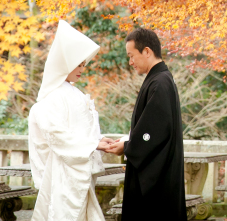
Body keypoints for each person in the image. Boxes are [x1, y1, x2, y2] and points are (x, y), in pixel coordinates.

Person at [28, 20, 114, 221]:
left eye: (84, 64)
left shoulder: (73, 93)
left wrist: (97, 142)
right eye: (78, 64)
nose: (82, 69)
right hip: (62, 172)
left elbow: (81, 130)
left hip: (78, 167)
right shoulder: (53, 97)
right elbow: (56, 135)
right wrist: (93, 144)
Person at [103, 28, 186, 221]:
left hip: (159, 181)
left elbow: (154, 132)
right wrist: (129, 142)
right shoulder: (159, 79)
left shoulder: (160, 83)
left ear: (147, 51)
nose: (130, 62)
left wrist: (128, 146)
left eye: (132, 56)